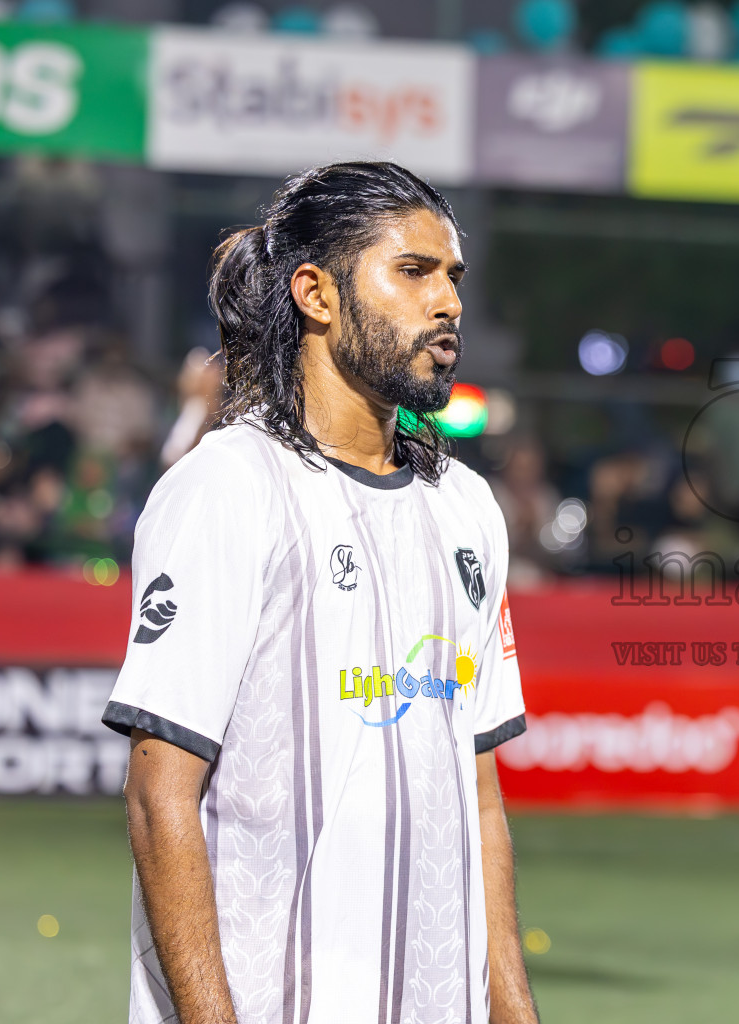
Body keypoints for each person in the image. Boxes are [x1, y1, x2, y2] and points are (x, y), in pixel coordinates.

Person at [102, 163, 539, 1024]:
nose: (447, 302)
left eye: (453, 277)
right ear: (316, 293)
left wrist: (514, 1009)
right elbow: (160, 796)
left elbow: (478, 795)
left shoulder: (466, 509)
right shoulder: (228, 488)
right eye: (413, 272)